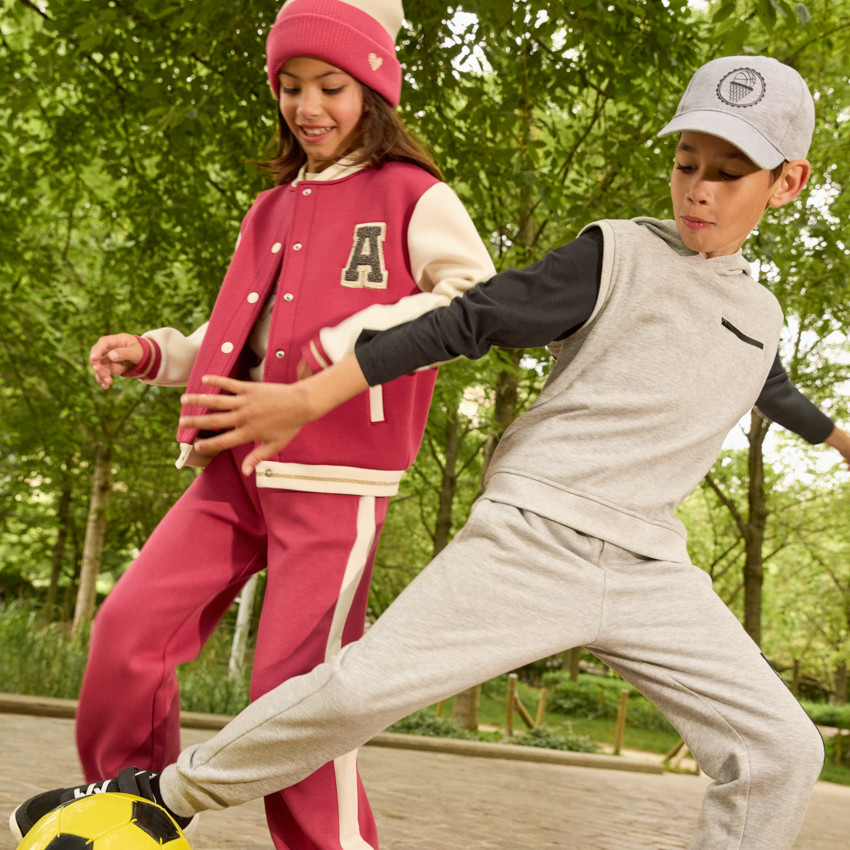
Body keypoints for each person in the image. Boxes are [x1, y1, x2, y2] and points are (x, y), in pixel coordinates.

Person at [13, 55, 850, 850]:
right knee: (355, 690)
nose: (698, 190)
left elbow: (763, 383)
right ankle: (159, 797)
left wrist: (838, 436)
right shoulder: (614, 255)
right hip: (533, 538)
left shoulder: (760, 313)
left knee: (781, 750)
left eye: (728, 172)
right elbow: (467, 317)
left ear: (788, 182)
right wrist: (311, 396)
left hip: (651, 568)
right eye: (685, 161)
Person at [54, 1, 495, 848]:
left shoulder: (414, 193)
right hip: (234, 462)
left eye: (330, 85)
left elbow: (473, 297)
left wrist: (346, 343)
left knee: (294, 696)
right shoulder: (271, 207)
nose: (307, 105)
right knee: (127, 634)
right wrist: (156, 352)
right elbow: (243, 339)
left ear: (372, 88)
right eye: (290, 86)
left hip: (337, 474)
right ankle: (132, 815)